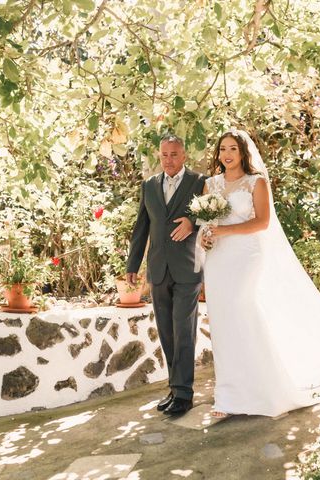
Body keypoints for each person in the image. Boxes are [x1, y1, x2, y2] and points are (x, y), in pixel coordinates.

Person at [198, 130, 320, 418]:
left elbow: (262, 222)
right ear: (218, 154)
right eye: (222, 149)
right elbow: (207, 224)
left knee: (243, 312)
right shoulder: (210, 185)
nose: (227, 154)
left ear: (243, 152)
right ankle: (229, 396)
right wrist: (205, 238)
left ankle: (266, 389)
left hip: (246, 256)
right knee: (221, 322)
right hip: (218, 260)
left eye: (233, 148)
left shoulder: (256, 183)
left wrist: (224, 231)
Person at [127, 134, 206, 416]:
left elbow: (214, 216)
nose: (169, 160)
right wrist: (132, 266)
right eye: (164, 155)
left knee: (184, 331)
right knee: (167, 333)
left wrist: (193, 223)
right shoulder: (149, 185)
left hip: (187, 268)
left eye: (174, 154)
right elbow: (141, 228)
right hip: (158, 269)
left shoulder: (199, 182)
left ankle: (184, 393)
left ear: (184, 156)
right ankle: (174, 389)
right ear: (159, 156)